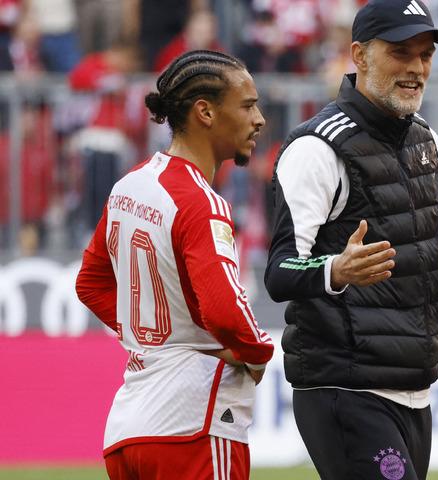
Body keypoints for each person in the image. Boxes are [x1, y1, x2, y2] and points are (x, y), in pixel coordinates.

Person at [264, 0, 438, 478]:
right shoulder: (316, 148)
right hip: (345, 388)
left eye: (425, 56)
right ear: (359, 56)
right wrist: (335, 269)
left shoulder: (425, 140)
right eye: (401, 53)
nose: (417, 69)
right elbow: (279, 270)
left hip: (415, 391)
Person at [75, 50, 272, 480]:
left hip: (128, 429)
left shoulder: (129, 186)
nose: (259, 119)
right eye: (247, 105)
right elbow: (224, 311)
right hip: (193, 427)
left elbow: (89, 284)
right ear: (205, 111)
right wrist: (258, 353)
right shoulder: (201, 201)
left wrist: (158, 338)